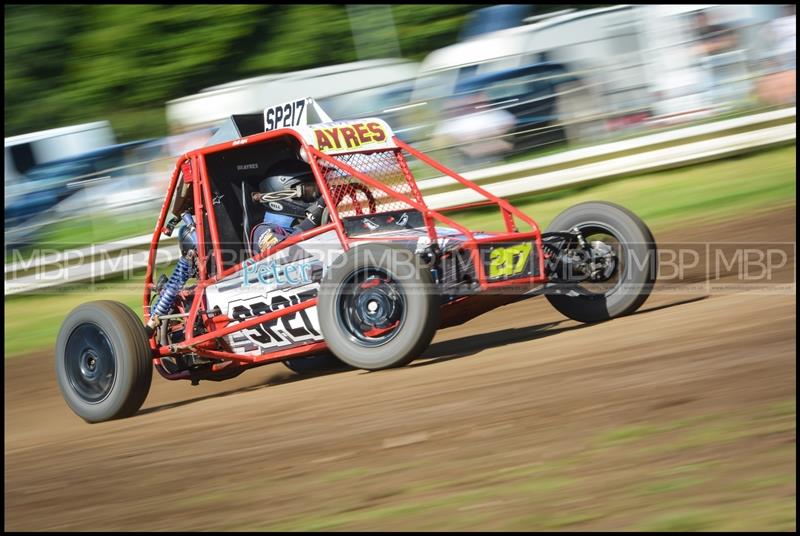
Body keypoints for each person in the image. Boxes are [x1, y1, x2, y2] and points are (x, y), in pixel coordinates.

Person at [249, 158, 327, 254]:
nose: (316, 195)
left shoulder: (301, 221)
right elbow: (283, 253)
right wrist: (312, 219)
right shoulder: (262, 230)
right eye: (310, 191)